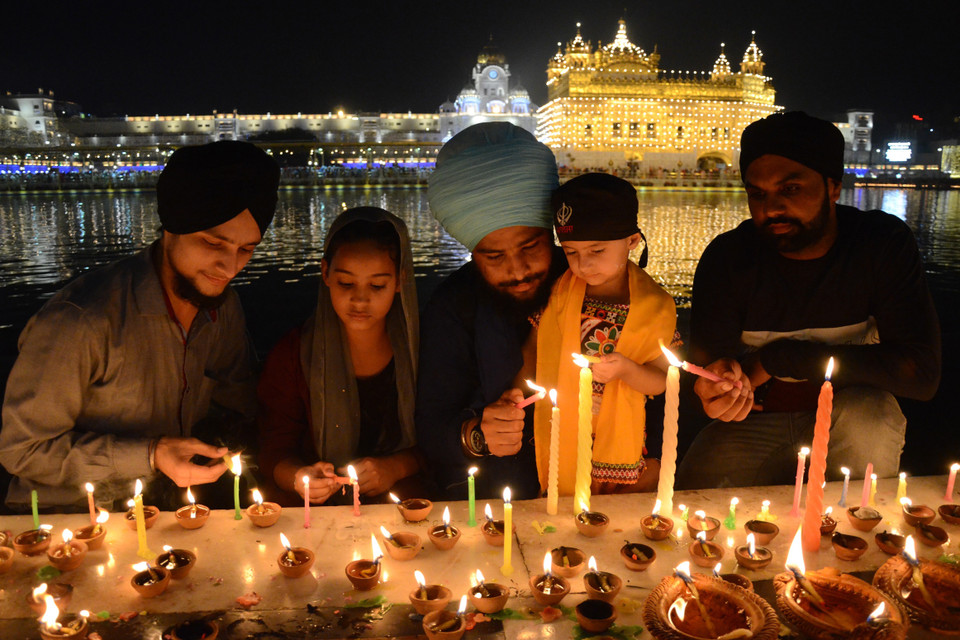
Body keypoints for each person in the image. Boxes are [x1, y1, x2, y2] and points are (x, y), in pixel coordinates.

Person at [0, 140, 280, 510]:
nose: (229, 269)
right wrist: (151, 454)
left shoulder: (222, 308)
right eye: (214, 243)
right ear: (171, 229)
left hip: (165, 513)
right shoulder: (81, 320)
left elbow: (235, 399)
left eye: (246, 249)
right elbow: (22, 450)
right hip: (66, 523)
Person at [675, 111, 941, 488]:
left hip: (853, 413)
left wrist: (778, 358)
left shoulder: (878, 245)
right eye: (757, 193)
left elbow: (922, 373)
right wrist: (714, 390)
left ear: (833, 186)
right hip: (758, 423)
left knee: (868, 424)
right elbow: (711, 372)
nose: (771, 209)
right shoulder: (728, 259)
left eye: (791, 189)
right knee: (695, 503)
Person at [416, 122, 565, 500]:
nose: (517, 271)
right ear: (472, 252)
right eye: (494, 256)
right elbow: (432, 429)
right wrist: (480, 434)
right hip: (493, 499)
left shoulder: (589, 280)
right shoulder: (453, 306)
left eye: (530, 247)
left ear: (551, 233)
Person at [258, 207, 423, 506]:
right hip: (317, 511)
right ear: (325, 274)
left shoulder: (424, 350)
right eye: (347, 283)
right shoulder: (294, 355)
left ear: (400, 281)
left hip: (406, 506)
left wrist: (395, 467)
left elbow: (443, 437)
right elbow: (272, 449)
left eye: (377, 285)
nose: (360, 299)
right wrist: (299, 478)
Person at [532, 173, 676, 496]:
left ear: (632, 241)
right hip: (566, 428)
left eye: (597, 251)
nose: (583, 265)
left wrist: (626, 369)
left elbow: (661, 379)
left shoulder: (654, 306)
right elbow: (537, 351)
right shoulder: (560, 294)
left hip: (621, 441)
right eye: (571, 252)